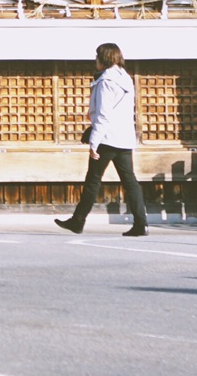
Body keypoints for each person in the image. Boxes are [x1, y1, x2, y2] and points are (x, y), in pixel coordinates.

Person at [56, 43, 149, 237]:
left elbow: (104, 115)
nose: (95, 60)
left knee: (93, 180)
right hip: (124, 137)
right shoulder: (125, 78)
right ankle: (141, 223)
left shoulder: (106, 81)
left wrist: (94, 142)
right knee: (130, 181)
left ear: (104, 58)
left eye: (97, 57)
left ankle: (78, 221)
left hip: (107, 138)